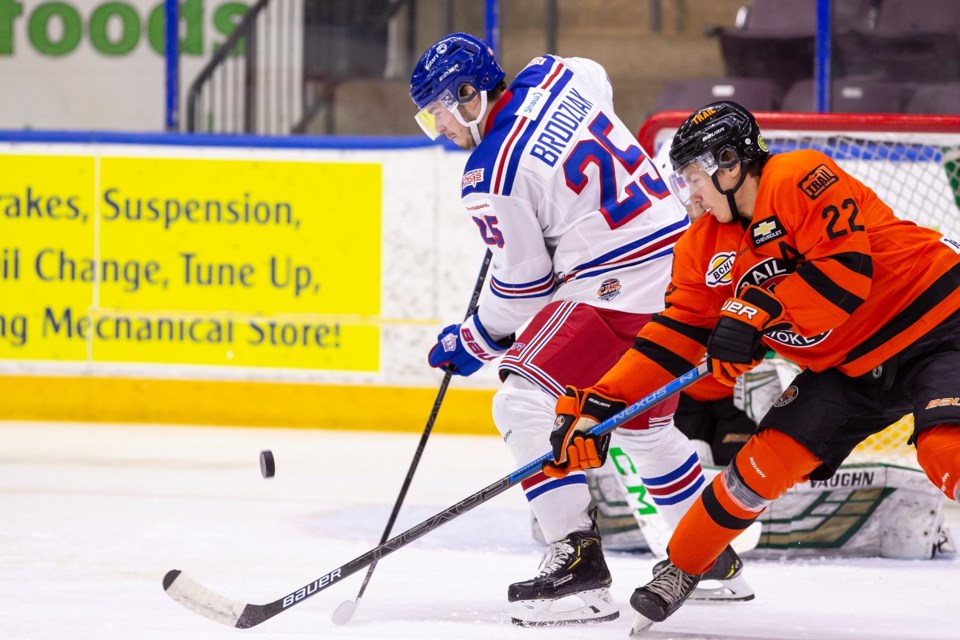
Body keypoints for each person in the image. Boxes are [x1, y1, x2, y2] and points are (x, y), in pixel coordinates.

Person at [545, 99, 960, 632]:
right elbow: (673, 337)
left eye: (695, 176)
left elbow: (845, 278)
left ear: (730, 163)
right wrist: (602, 402)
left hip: (938, 322)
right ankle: (683, 566)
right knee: (758, 467)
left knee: (945, 449)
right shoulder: (700, 245)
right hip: (846, 366)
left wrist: (755, 311)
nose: (689, 193)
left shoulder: (799, 176)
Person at [409, 35, 750, 626]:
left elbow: (524, 290)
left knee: (522, 400)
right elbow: (598, 78)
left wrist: (471, 341)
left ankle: (578, 567)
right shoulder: (556, 73)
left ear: (470, 94)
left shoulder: (489, 172)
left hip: (617, 285)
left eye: (439, 110)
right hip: (681, 267)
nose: (439, 128)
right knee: (644, 424)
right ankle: (708, 554)